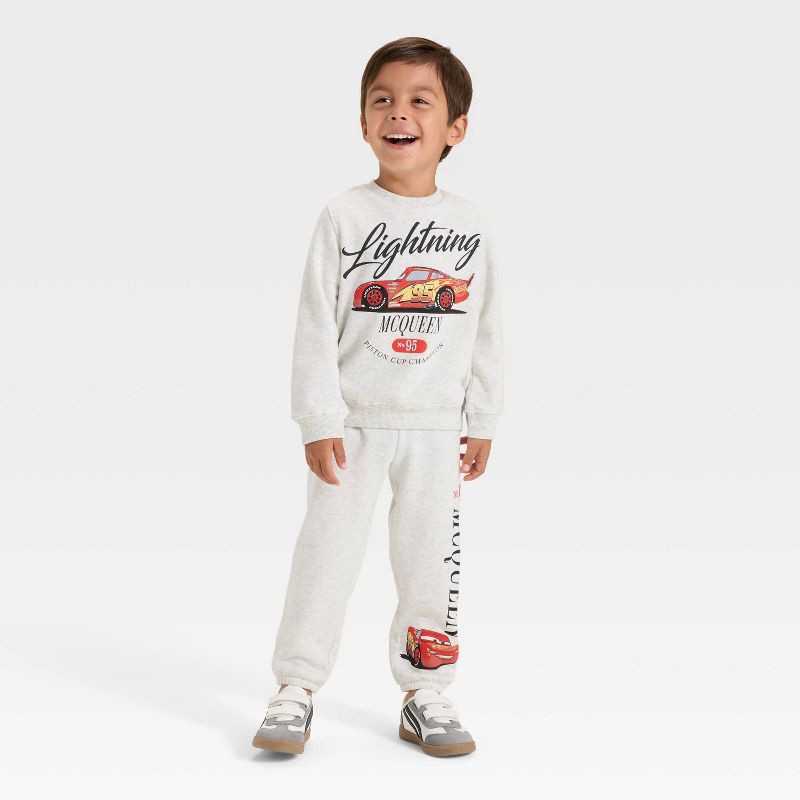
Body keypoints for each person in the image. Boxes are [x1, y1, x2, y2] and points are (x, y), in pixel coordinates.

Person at [252, 36, 503, 758]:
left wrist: (483, 416)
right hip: (354, 423)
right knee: (326, 557)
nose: (399, 112)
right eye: (382, 100)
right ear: (363, 122)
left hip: (437, 429)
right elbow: (314, 323)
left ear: (456, 127)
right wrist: (317, 417)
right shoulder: (344, 215)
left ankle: (426, 691)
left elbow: (486, 325)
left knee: (430, 565)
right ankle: (296, 686)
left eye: (421, 100)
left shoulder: (471, 223)